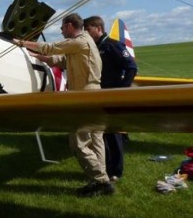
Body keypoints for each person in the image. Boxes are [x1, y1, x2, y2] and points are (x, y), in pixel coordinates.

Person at [13, 13, 114, 197]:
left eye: (62, 28)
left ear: (69, 26)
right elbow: (59, 60)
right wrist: (36, 56)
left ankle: (101, 181)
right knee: (95, 140)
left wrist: (22, 42)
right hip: (93, 94)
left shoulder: (79, 41)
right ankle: (99, 180)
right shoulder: (84, 44)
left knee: (78, 141)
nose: (61, 31)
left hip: (84, 95)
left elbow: (52, 48)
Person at [84, 16, 138, 182]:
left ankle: (116, 171)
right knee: (102, 135)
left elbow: (131, 67)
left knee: (114, 134)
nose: (86, 32)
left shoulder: (112, 45)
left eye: (88, 29)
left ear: (98, 28)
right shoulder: (94, 46)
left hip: (111, 94)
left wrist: (121, 91)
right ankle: (105, 168)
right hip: (99, 94)